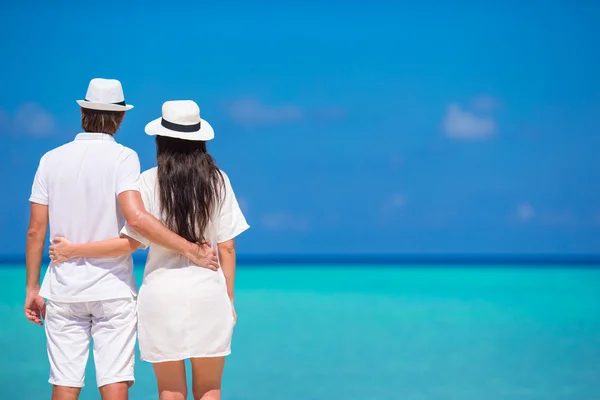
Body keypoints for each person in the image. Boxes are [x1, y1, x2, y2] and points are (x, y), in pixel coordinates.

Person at [25, 80, 219, 400]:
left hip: (62, 287)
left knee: (64, 381)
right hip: (112, 287)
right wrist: (191, 250)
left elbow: (35, 231)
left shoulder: (50, 159)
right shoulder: (124, 158)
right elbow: (136, 219)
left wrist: (33, 288)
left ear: (83, 112)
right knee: (114, 380)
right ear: (121, 118)